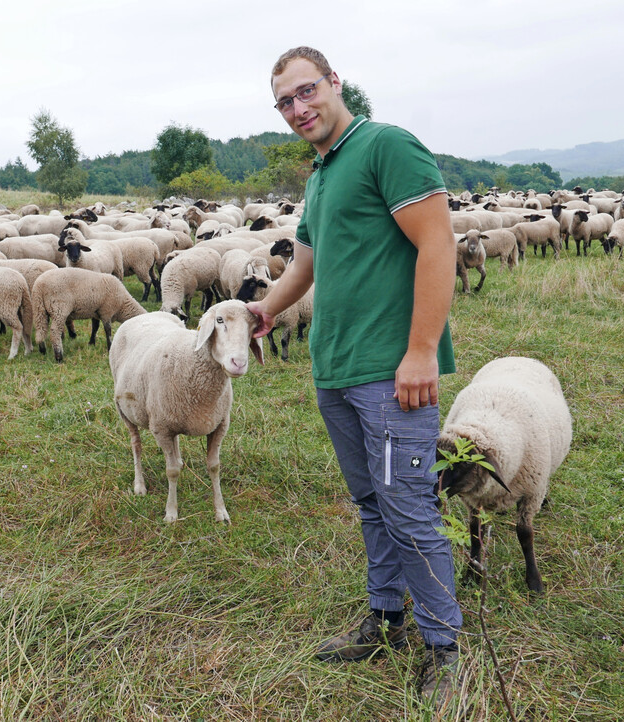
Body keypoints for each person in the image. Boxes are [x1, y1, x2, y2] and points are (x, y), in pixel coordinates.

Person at [247, 46, 462, 705]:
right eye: (285, 102)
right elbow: (305, 265)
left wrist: (421, 350)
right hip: (335, 370)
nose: (298, 108)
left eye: (307, 91)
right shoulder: (320, 175)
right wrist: (266, 309)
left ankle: (444, 648)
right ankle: (385, 620)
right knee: (372, 502)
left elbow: (438, 242)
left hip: (391, 373)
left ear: (334, 83)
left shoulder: (385, 146)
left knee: (408, 509)